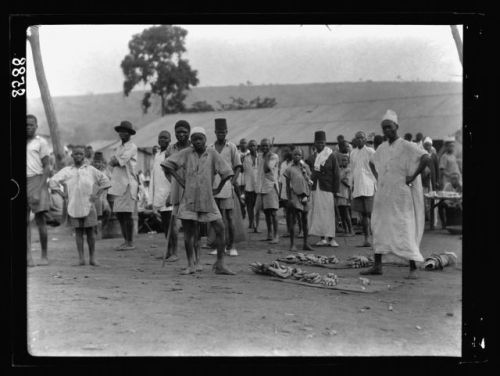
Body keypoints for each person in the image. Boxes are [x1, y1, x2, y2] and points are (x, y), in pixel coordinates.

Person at [361, 109, 430, 279]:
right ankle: (377, 266)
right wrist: (378, 177)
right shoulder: (382, 148)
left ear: (396, 126)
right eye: (384, 128)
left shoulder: (406, 145)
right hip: (384, 194)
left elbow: (426, 157)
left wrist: (412, 176)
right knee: (379, 225)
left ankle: (412, 267)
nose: (386, 131)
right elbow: (372, 162)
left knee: (404, 227)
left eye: (389, 127)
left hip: (401, 195)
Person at [161, 126, 236, 275]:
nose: (197, 141)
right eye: (194, 139)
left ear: (205, 139)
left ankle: (220, 264)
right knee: (189, 232)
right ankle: (191, 265)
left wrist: (219, 188)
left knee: (221, 228)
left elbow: (227, 172)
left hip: (208, 199)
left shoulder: (213, 153)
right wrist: (180, 180)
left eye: (200, 138)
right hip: (189, 199)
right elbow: (167, 164)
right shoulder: (186, 153)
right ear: (191, 140)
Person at [49, 145, 111, 266]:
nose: (78, 156)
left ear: (84, 156)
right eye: (76, 154)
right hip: (74, 205)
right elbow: (53, 181)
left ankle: (92, 258)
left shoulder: (91, 170)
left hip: (89, 204)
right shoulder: (67, 171)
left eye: (80, 154)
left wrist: (96, 195)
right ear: (72, 156)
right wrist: (63, 194)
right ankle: (81, 258)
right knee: (78, 232)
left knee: (90, 232)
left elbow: (106, 181)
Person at [208, 118, 243, 257]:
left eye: (223, 132)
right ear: (215, 132)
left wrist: (233, 182)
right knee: (217, 218)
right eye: (219, 132)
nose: (221, 134)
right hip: (214, 187)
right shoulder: (210, 148)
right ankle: (219, 245)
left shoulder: (232, 147)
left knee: (229, 217)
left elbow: (238, 166)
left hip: (228, 187)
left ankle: (232, 245)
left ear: (226, 132)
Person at [305, 130, 340, 247]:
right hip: (316, 188)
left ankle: (331, 238)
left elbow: (337, 174)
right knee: (318, 213)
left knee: (329, 212)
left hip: (328, 188)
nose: (320, 145)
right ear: (314, 143)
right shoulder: (312, 157)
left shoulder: (331, 156)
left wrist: (336, 191)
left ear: (325, 143)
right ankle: (322, 238)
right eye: (318, 143)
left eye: (322, 143)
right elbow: (308, 172)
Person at [108, 121, 139, 251]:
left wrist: (115, 160)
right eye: (120, 131)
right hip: (117, 183)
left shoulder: (132, 147)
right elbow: (111, 161)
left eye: (125, 131)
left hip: (128, 183)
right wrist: (115, 160)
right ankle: (125, 240)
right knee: (120, 214)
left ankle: (130, 242)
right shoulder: (119, 147)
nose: (122, 133)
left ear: (129, 133)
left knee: (127, 214)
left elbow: (118, 161)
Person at [27, 114, 51, 267]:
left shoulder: (41, 142)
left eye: (31, 125)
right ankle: (28, 256)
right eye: (25, 125)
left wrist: (40, 188)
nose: (28, 127)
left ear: (36, 126)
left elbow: (47, 167)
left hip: (38, 180)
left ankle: (44, 255)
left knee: (40, 220)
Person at [150, 130, 178, 261]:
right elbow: (154, 177)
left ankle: (175, 253)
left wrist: (172, 194)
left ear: (169, 140)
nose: (162, 140)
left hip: (169, 193)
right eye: (160, 137)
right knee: (165, 225)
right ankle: (168, 251)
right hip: (159, 194)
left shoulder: (171, 153)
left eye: (165, 138)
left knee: (171, 224)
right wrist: (152, 198)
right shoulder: (157, 155)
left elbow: (175, 176)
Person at [283, 148, 314, 252]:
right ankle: (292, 244)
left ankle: (306, 243)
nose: (297, 156)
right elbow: (287, 186)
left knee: (305, 220)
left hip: (305, 196)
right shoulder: (289, 169)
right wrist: (289, 198)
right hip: (294, 196)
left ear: (302, 157)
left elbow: (310, 182)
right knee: (292, 220)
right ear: (292, 157)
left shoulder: (306, 167)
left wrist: (309, 195)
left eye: (299, 155)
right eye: (295, 155)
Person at [350, 131, 377, 247]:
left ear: (365, 140)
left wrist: (378, 184)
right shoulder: (353, 153)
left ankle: (376, 239)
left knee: (371, 214)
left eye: (362, 138)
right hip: (358, 186)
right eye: (358, 138)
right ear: (355, 140)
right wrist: (351, 185)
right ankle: (366, 239)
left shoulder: (371, 151)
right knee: (363, 215)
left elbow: (377, 168)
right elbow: (352, 170)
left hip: (369, 185)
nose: (360, 140)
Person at [255, 138, 280, 244]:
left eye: (266, 146)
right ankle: (269, 234)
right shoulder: (260, 156)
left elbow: (266, 169)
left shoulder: (274, 156)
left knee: (273, 212)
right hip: (262, 187)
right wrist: (265, 156)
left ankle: (276, 235)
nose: (264, 147)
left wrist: (267, 156)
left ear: (270, 146)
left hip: (271, 187)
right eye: (263, 146)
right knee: (266, 212)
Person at [242, 139, 260, 232]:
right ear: (248, 147)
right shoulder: (245, 158)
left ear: (257, 147)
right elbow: (241, 170)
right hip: (248, 185)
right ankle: (251, 222)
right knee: (249, 206)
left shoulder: (260, 157)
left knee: (257, 207)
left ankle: (256, 224)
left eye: (254, 145)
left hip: (258, 185)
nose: (253, 147)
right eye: (251, 146)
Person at [278, 145, 294, 237]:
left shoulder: (296, 162)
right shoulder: (283, 164)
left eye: (288, 151)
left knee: (297, 212)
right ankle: (288, 230)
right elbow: (280, 179)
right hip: (285, 191)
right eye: (284, 152)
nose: (286, 153)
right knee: (287, 212)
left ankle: (301, 231)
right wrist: (280, 192)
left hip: (294, 191)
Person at [337, 154, 354, 236]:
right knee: (341, 213)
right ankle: (345, 230)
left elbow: (348, 183)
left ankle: (351, 230)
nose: (343, 161)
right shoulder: (340, 170)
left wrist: (341, 179)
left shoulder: (349, 170)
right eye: (342, 160)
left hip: (345, 193)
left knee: (346, 212)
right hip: (339, 193)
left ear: (348, 161)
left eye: (345, 160)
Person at [237, 138, 249, 218]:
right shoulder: (237, 153)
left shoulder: (250, 153)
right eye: (242, 143)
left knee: (247, 196)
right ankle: (242, 209)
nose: (243, 144)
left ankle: (246, 209)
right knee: (239, 196)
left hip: (247, 178)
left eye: (245, 143)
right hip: (238, 178)